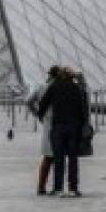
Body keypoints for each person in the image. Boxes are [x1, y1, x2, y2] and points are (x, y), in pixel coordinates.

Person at [37, 67, 89, 197]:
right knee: (73, 159)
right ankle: (73, 188)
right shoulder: (77, 88)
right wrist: (83, 124)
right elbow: (83, 109)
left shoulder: (54, 87)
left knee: (58, 158)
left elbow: (43, 104)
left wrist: (42, 117)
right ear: (72, 76)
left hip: (58, 126)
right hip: (73, 127)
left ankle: (58, 188)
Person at [28, 67, 60, 196]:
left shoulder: (41, 87)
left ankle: (41, 186)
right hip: (60, 123)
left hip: (47, 123)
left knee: (47, 157)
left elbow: (28, 101)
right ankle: (57, 187)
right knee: (59, 157)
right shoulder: (60, 87)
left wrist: (38, 114)